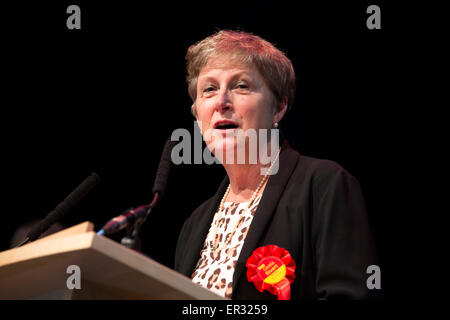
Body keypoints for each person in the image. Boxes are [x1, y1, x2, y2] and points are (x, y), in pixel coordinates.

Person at [174, 30, 380, 300]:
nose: (221, 102)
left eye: (241, 86)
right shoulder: (194, 223)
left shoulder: (324, 186)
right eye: (209, 89)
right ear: (197, 114)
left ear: (279, 107)